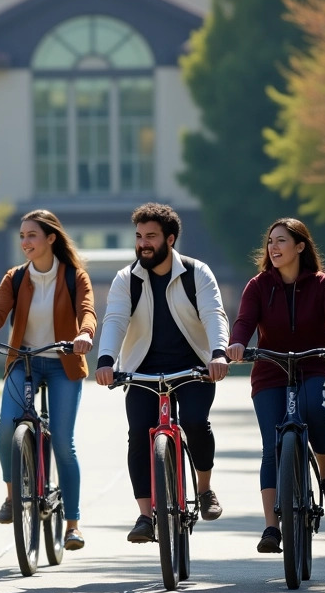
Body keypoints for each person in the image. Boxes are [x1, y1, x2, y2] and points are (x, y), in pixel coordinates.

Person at [94, 203, 230, 544]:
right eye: (139, 236)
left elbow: (214, 314)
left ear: (170, 238)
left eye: (151, 236)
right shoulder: (127, 278)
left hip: (194, 368)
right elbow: (114, 319)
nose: (143, 243)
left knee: (196, 423)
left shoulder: (196, 273)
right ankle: (144, 516)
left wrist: (218, 353)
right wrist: (106, 359)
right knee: (139, 434)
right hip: (142, 371)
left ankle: (204, 489)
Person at [0, 210, 95, 551]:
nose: (25, 243)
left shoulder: (74, 276)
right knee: (8, 426)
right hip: (24, 363)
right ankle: (11, 496)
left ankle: (73, 525)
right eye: (22, 236)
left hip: (63, 364)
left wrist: (85, 334)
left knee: (63, 442)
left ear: (51, 238)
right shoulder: (16, 278)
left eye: (31, 236)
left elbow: (88, 310)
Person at [225, 218, 325, 553]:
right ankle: (271, 527)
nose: (273, 247)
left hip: (315, 365)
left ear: (300, 246)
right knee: (272, 446)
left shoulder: (322, 284)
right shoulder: (258, 285)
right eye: (270, 241)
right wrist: (237, 343)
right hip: (271, 370)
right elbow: (243, 321)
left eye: (281, 241)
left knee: (315, 408)